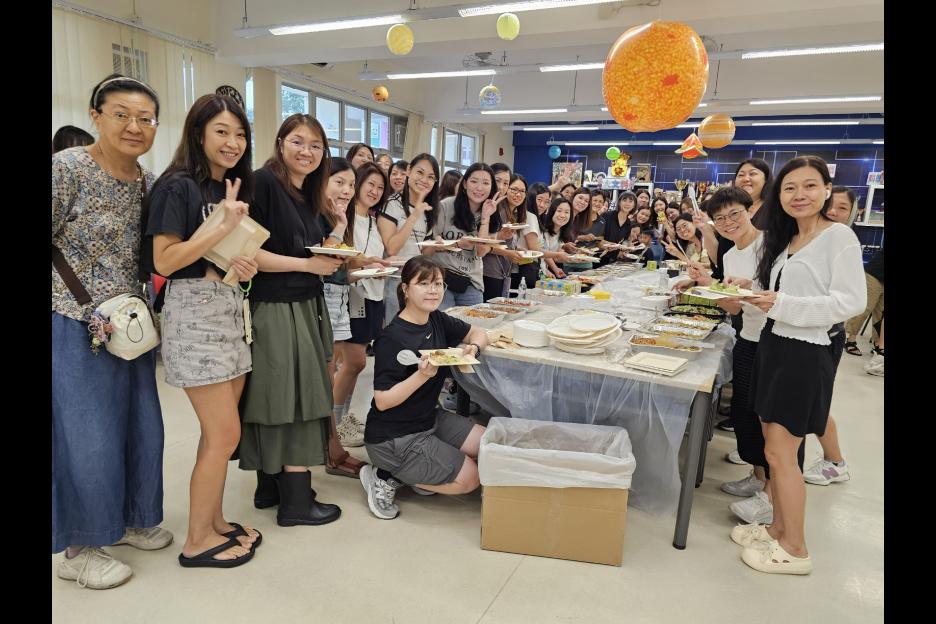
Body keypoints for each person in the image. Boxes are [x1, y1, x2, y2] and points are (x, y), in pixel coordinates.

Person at [53, 74, 172, 589]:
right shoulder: (66, 169)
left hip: (130, 326)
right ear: (96, 116)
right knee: (88, 437)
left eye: (145, 118)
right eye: (121, 114)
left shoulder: (148, 182)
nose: (134, 126)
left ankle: (126, 520)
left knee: (140, 427)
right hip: (73, 322)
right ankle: (79, 548)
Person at [146, 93, 260, 567]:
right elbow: (165, 260)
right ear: (198, 133)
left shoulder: (225, 185)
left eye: (240, 134)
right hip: (193, 315)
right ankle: (197, 541)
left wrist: (242, 263)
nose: (232, 142)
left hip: (228, 309)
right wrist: (220, 228)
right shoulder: (178, 185)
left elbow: (217, 256)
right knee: (224, 433)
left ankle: (215, 523)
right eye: (221, 132)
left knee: (220, 434)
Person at [738, 155, 865, 575]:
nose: (799, 195)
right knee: (772, 449)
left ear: (827, 190)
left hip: (804, 353)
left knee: (781, 454)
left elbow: (850, 301)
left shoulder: (839, 237)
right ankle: (777, 529)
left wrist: (781, 304)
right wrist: (752, 290)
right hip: (775, 344)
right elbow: (785, 292)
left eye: (810, 186)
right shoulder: (789, 238)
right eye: (790, 188)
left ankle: (795, 548)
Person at [360, 256, 490, 519]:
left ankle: (421, 473)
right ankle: (386, 476)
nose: (433, 290)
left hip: (427, 418)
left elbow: (478, 332)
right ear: (405, 289)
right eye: (423, 283)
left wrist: (473, 348)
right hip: (393, 436)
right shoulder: (391, 338)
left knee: (488, 444)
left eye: (438, 284)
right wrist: (421, 376)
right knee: (470, 479)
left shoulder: (436, 319)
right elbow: (383, 401)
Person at [674, 188, 772, 509]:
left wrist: (746, 290)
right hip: (748, 336)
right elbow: (734, 307)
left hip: (775, 342)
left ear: (749, 211)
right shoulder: (730, 256)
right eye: (720, 218)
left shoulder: (771, 245)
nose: (728, 222)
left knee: (769, 419)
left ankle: (771, 495)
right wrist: (707, 284)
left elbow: (776, 296)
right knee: (745, 412)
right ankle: (758, 476)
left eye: (734, 214)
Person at [332, 162, 395, 450]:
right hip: (352, 294)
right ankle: (333, 427)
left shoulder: (372, 220)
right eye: (370, 184)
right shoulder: (342, 217)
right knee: (354, 362)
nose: (375, 191)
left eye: (380, 187)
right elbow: (341, 261)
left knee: (353, 366)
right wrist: (366, 265)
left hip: (373, 295)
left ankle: (342, 421)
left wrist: (378, 267)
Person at [317, 159, 374, 466]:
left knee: (331, 375)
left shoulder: (339, 217)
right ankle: (331, 449)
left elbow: (340, 274)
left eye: (351, 184)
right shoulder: (320, 218)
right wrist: (339, 228)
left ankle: (331, 444)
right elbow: (322, 265)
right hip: (322, 301)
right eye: (339, 182)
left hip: (339, 299)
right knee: (326, 376)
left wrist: (366, 268)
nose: (347, 190)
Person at [425, 162, 499, 309]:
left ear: (491, 187)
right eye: (474, 181)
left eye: (485, 183)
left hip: (471, 281)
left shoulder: (492, 212)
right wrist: (458, 244)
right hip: (442, 278)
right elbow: (431, 244)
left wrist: (485, 218)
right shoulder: (446, 206)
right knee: (443, 321)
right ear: (465, 184)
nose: (479, 188)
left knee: (473, 321)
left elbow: (481, 251)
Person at [378, 153, 441, 326]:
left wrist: (436, 245)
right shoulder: (392, 204)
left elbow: (423, 253)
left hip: (418, 282)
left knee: (417, 332)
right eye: (420, 172)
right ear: (408, 171)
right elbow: (391, 248)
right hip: (395, 281)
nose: (424, 180)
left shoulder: (428, 209)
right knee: (395, 332)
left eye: (431, 177)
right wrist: (414, 214)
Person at [483, 173, 529, 300]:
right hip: (490, 270)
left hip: (503, 272)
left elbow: (505, 242)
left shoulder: (514, 214)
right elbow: (484, 242)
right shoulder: (496, 211)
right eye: (514, 189)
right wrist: (508, 253)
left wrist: (515, 250)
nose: (518, 194)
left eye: (522, 191)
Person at [844, 247, 884, 356]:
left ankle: (878, 344)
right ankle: (850, 341)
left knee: (881, 314)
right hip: (874, 275)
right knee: (865, 308)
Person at [540, 197, 575, 278]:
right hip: (536, 270)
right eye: (559, 211)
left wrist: (555, 269)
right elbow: (542, 253)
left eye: (567, 212)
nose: (563, 215)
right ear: (551, 212)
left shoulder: (561, 231)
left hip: (543, 271)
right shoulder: (543, 230)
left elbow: (554, 256)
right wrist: (546, 270)